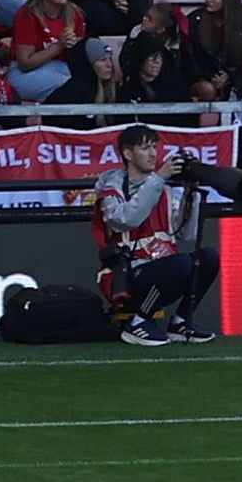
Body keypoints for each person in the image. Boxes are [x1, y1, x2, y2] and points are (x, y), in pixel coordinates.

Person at [90, 123, 214, 345]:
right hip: (126, 275)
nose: (153, 154)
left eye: (155, 148)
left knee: (208, 258)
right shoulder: (112, 188)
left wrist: (190, 194)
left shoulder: (163, 190)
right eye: (145, 148)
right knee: (180, 264)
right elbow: (127, 219)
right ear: (128, 154)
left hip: (163, 269)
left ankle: (180, 322)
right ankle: (138, 323)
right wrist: (158, 178)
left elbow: (187, 233)